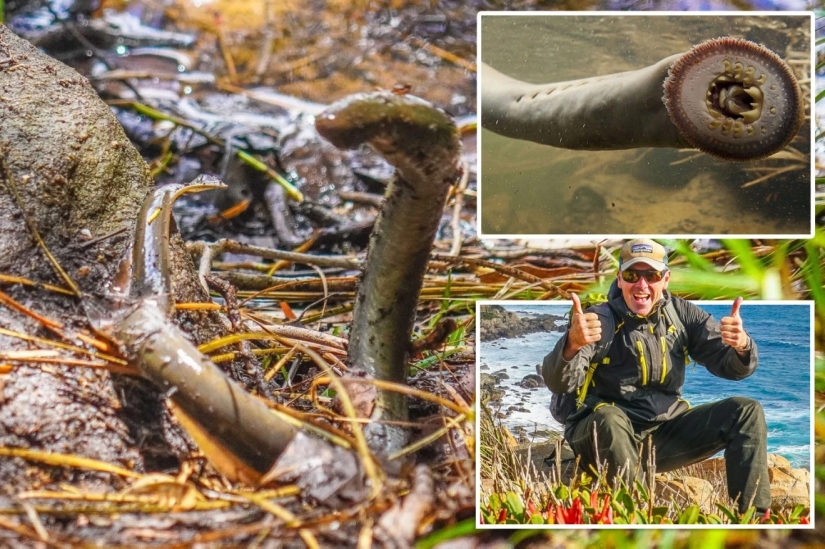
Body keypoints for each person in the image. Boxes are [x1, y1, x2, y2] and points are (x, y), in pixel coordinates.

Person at [541, 238, 770, 513]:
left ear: (665, 279)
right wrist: (572, 344)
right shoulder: (598, 321)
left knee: (747, 411)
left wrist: (742, 346)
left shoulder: (683, 314)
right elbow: (559, 382)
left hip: (661, 438)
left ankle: (753, 519)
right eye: (631, 275)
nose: (641, 285)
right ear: (620, 279)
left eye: (651, 275)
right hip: (599, 438)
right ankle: (638, 518)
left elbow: (731, 367)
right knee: (610, 417)